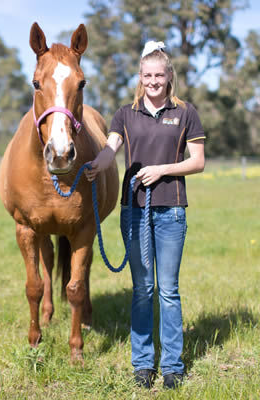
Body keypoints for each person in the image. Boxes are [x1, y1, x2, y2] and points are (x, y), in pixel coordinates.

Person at [85, 40, 206, 390]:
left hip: (172, 212)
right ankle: (142, 365)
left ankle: (172, 366)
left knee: (168, 290)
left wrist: (161, 169)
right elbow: (111, 149)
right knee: (142, 290)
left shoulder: (185, 113)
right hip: (134, 212)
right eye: (147, 75)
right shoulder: (125, 114)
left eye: (159, 75)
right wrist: (97, 163)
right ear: (140, 77)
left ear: (169, 76)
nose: (153, 81)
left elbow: (197, 162)